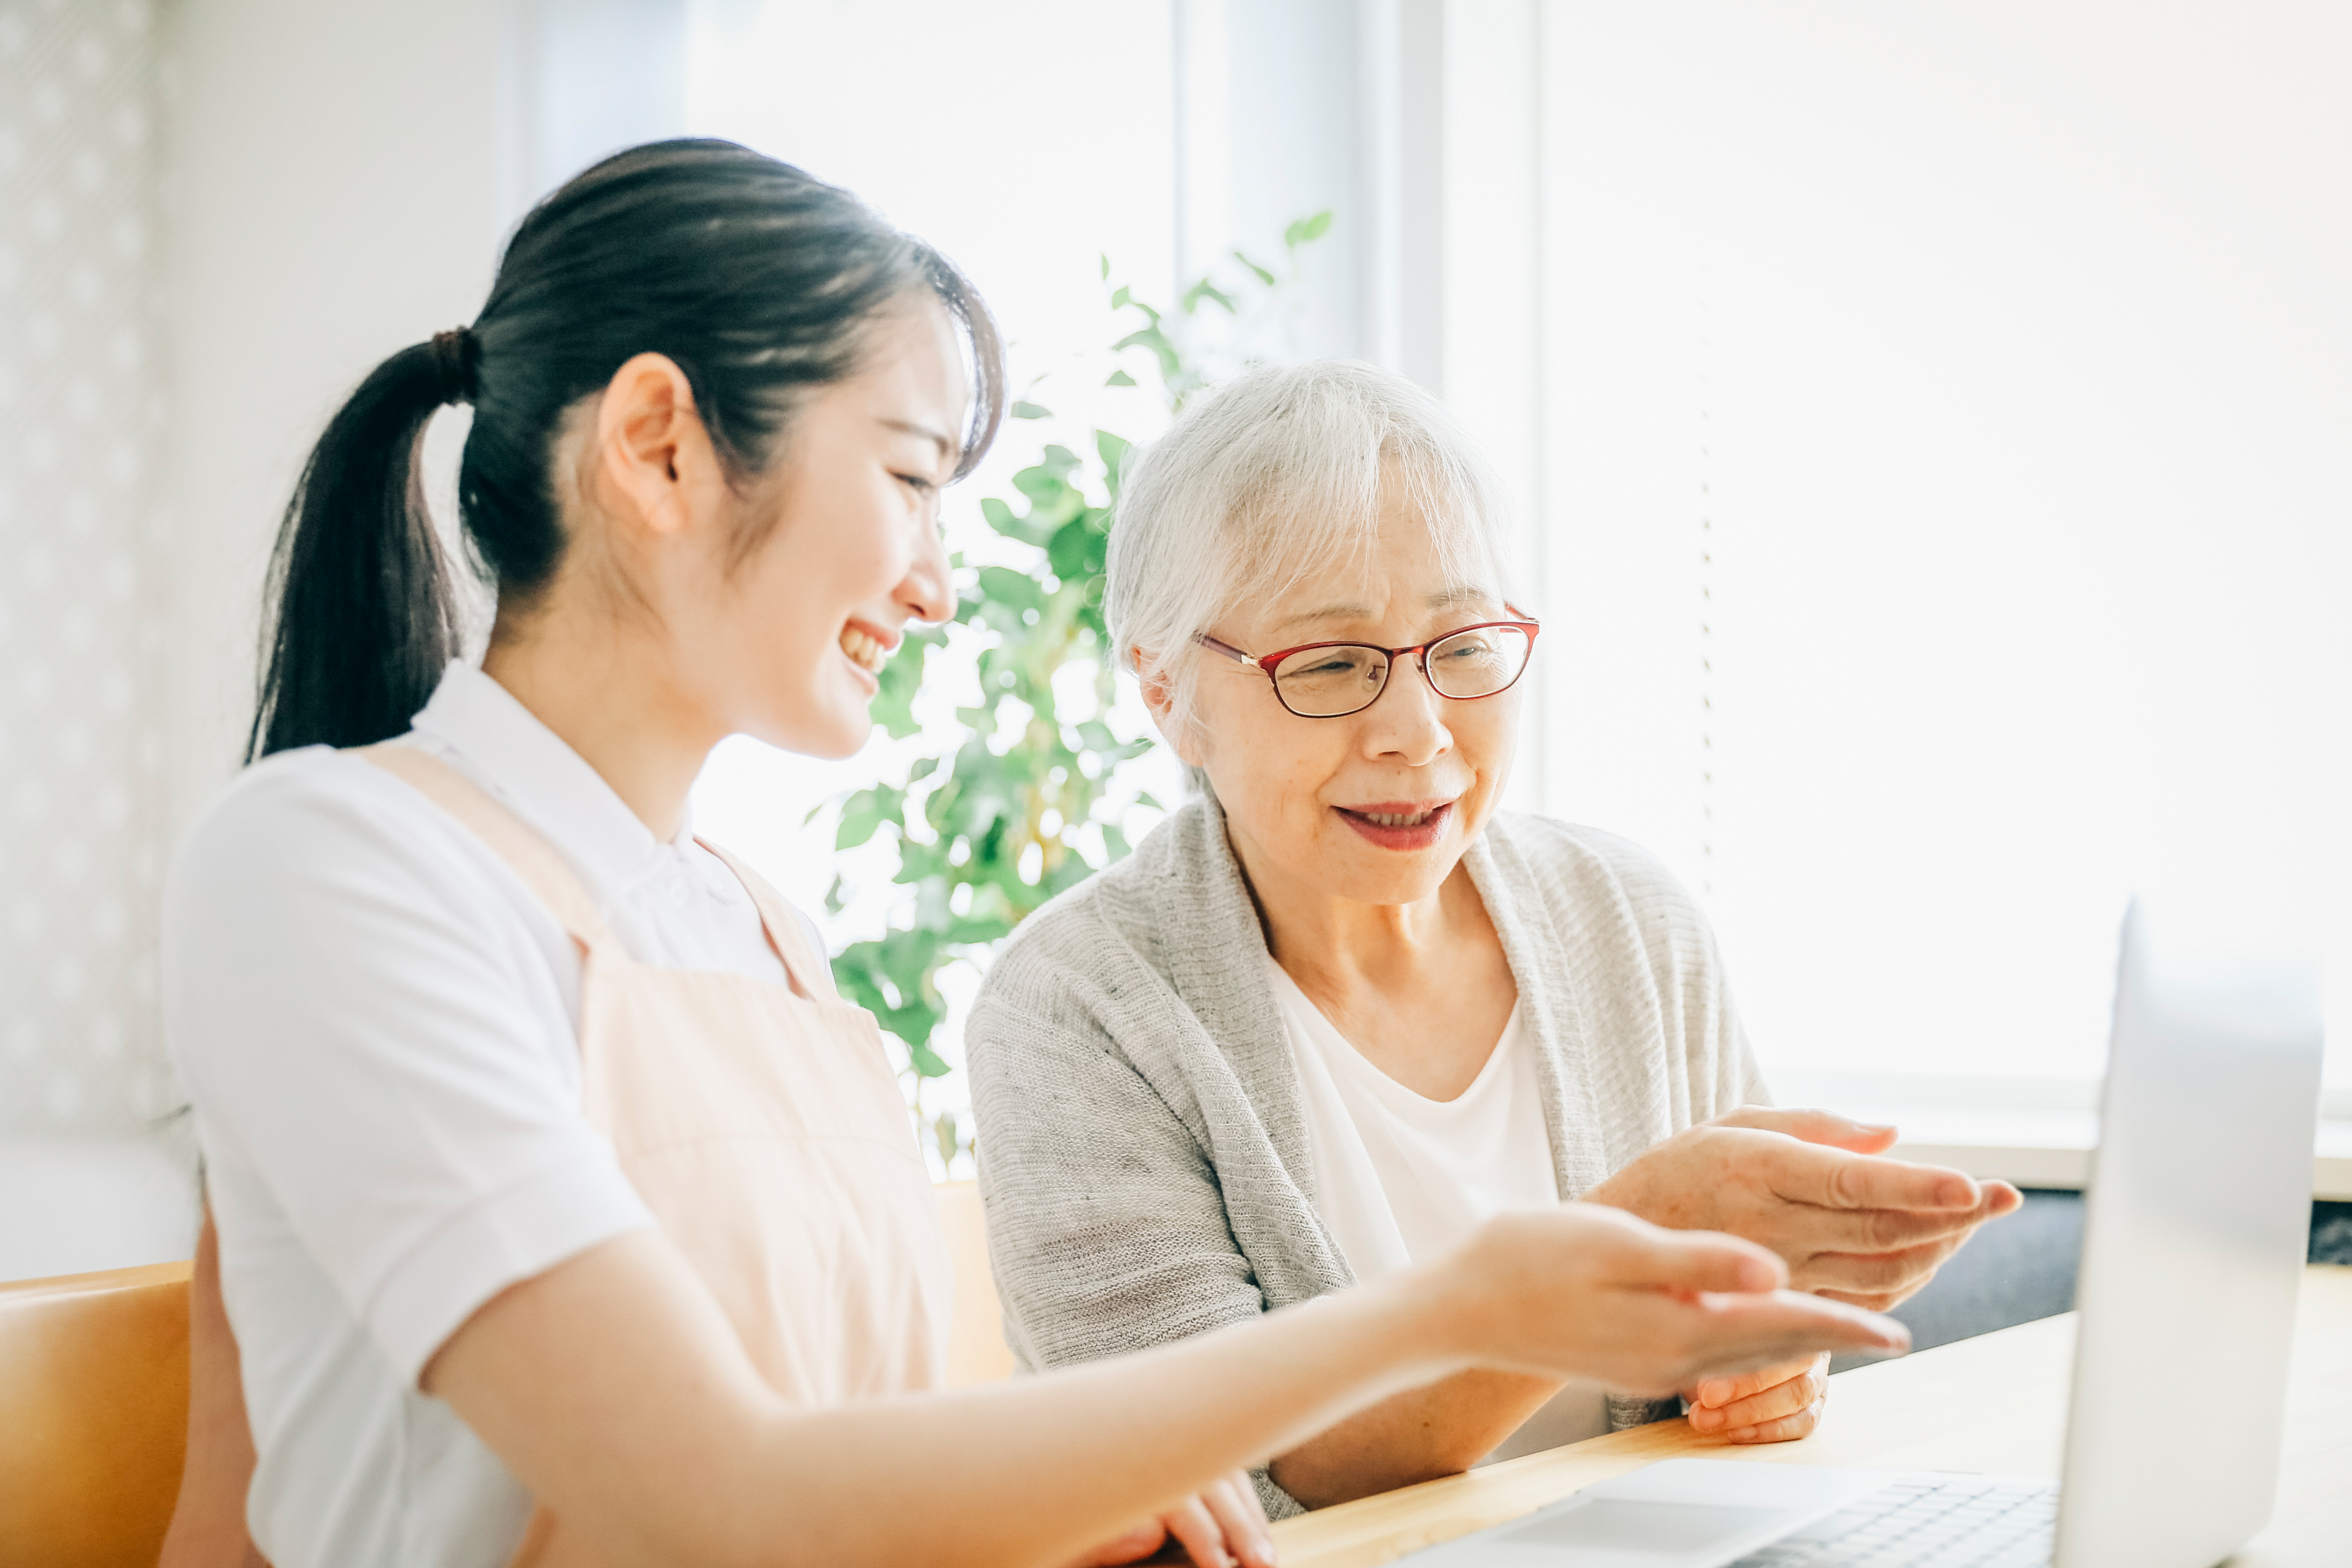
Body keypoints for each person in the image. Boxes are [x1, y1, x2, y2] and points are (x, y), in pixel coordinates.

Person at [157, 142, 1909, 1568]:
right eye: (913, 477)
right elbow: (722, 1495)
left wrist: (1064, 1498)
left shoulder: (758, 933)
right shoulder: (330, 865)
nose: (934, 578)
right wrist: (1464, 1300)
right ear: (659, 445)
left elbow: (850, 1464)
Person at [965, 360, 2021, 1518]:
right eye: (1329, 665)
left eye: (1462, 647)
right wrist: (1629, 1236)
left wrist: (1758, 1364)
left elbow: (1732, 1325)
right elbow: (1203, 1486)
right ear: (1166, 693)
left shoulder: (1627, 915)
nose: (1416, 734)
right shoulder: (1076, 1006)